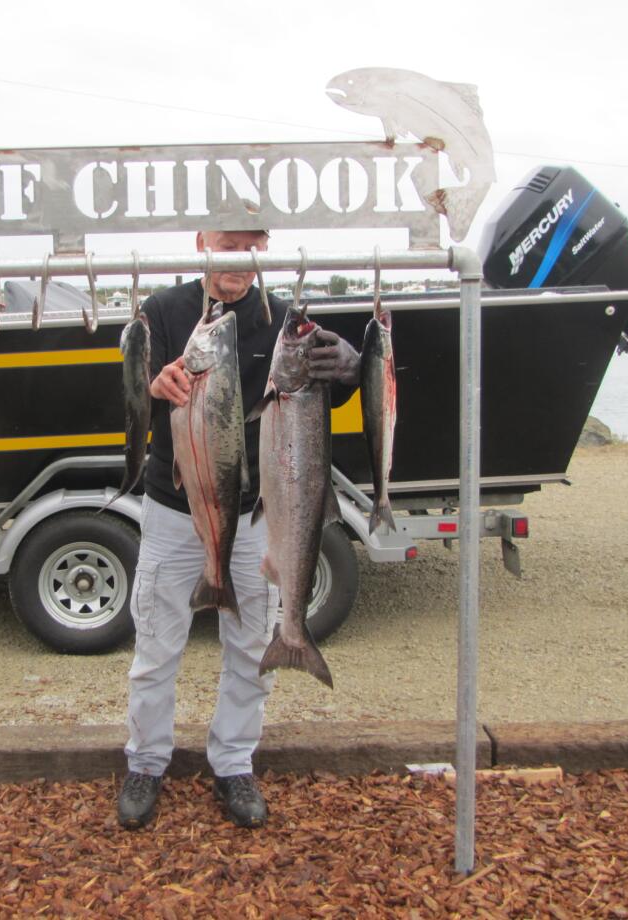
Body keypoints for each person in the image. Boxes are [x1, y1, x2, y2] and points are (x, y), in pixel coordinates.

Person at [117, 227, 362, 830]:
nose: (239, 257)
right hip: (176, 510)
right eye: (228, 241)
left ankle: (233, 763)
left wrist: (354, 370)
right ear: (202, 240)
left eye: (252, 244)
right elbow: (129, 404)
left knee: (252, 647)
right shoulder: (161, 312)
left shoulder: (285, 323)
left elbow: (323, 403)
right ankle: (146, 762)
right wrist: (153, 387)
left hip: (257, 515)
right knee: (155, 648)